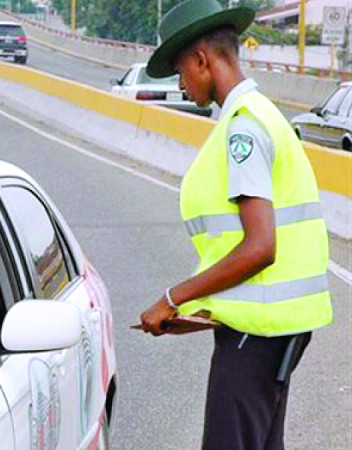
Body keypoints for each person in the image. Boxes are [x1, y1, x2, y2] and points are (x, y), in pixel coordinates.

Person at [138, 1, 333, 449]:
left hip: (256, 334)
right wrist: (203, 309)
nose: (180, 84)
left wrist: (173, 297)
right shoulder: (260, 113)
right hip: (269, 329)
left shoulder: (243, 129)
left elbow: (260, 246)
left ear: (202, 60)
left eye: (180, 71)